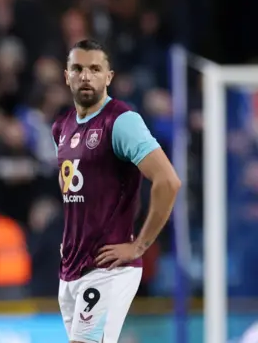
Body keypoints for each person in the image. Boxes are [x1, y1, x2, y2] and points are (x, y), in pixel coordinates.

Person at [52, 39, 181, 343]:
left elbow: (168, 181)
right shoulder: (62, 126)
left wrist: (139, 246)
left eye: (95, 69)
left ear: (109, 77)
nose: (86, 76)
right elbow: (72, 184)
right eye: (78, 69)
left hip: (109, 266)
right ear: (66, 75)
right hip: (71, 265)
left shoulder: (122, 122)